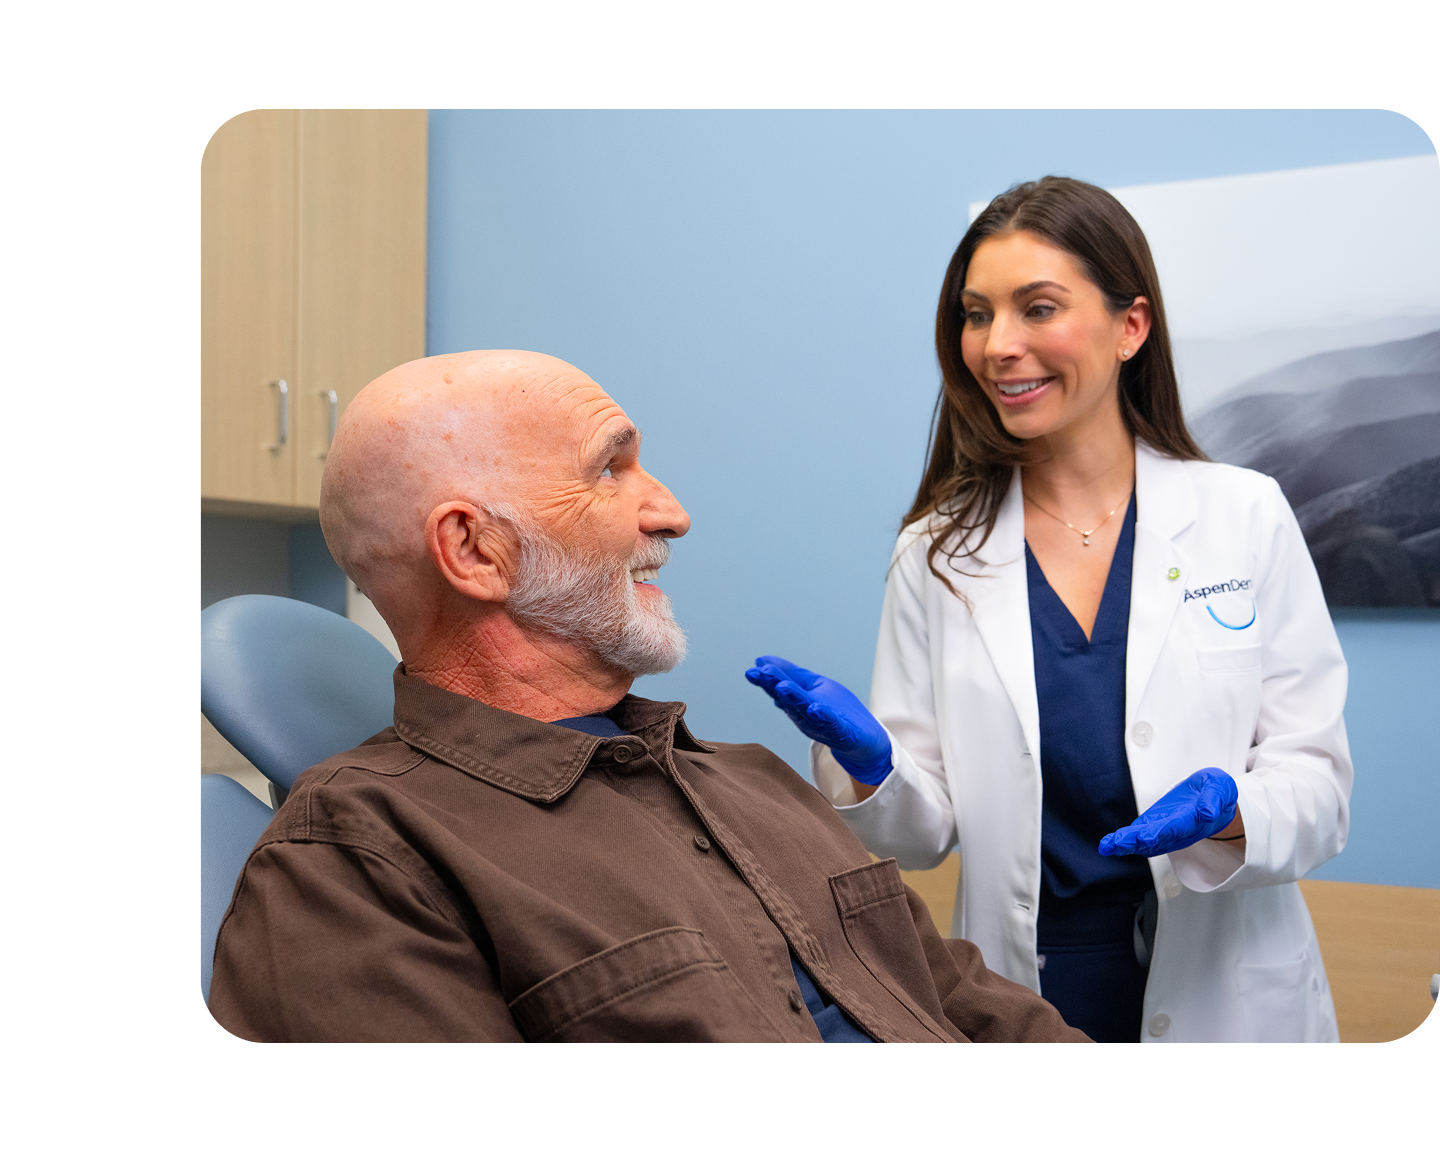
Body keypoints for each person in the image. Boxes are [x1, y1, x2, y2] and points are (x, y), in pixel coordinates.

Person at [207, 349, 1089, 1043]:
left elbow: (966, 1003)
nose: (672, 512)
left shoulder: (755, 782)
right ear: (475, 551)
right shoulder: (356, 866)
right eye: (609, 470)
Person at [747, 177, 1352, 1043]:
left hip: (1228, 995)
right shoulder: (936, 552)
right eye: (976, 314)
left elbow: (1319, 784)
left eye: (1037, 308)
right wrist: (873, 767)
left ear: (1130, 327)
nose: (998, 345)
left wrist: (1233, 814)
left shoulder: (1242, 515)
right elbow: (922, 833)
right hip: (1027, 993)